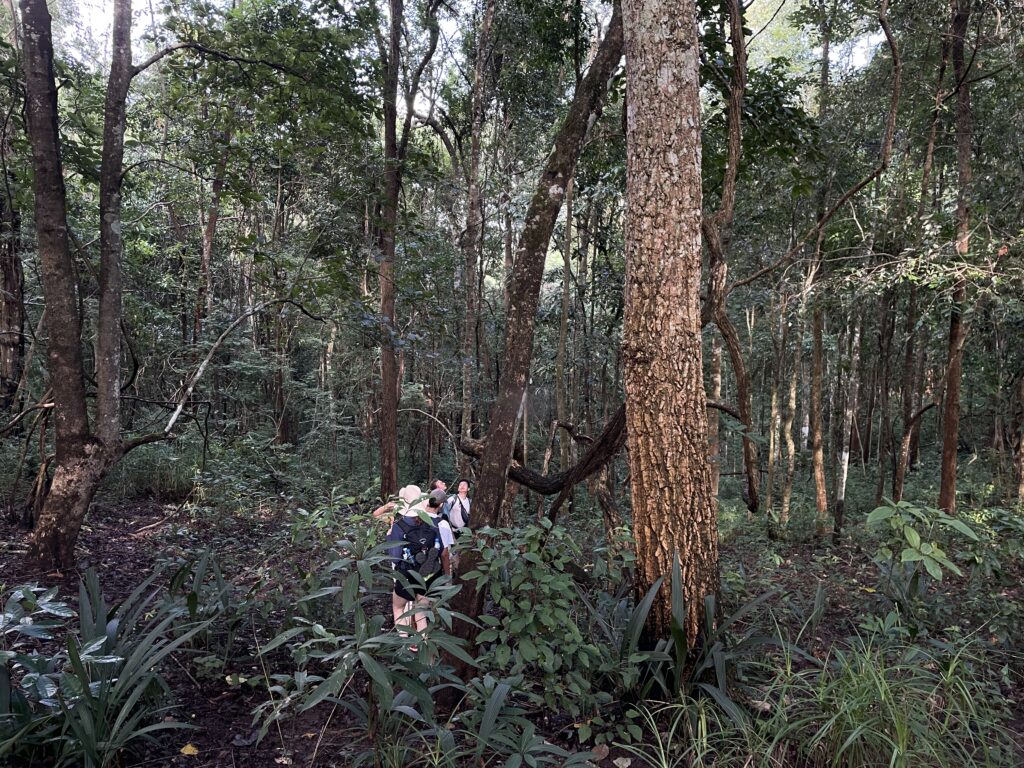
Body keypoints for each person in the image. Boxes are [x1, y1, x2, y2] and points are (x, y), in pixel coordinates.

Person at [386, 485, 454, 648]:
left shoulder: (399, 526)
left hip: (406, 574)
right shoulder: (432, 522)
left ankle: (405, 643)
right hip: (428, 575)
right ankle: (423, 644)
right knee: (421, 612)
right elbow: (440, 550)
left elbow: (394, 558)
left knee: (398, 607)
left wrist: (389, 539)